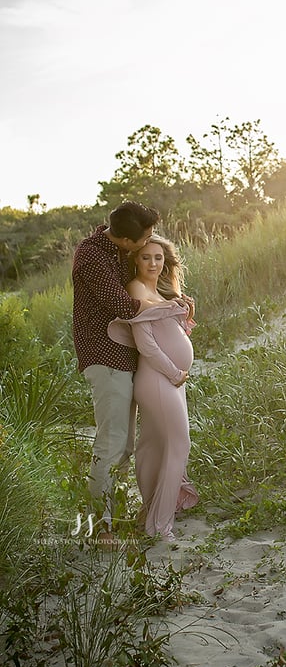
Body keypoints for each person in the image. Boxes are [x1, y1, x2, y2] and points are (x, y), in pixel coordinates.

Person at [72, 201, 160, 536]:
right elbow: (122, 305)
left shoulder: (120, 250)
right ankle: (98, 526)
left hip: (126, 354)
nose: (147, 240)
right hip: (103, 354)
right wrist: (167, 309)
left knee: (124, 444)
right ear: (124, 240)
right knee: (111, 440)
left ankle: (112, 511)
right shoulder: (91, 255)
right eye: (142, 238)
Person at [108, 235, 199, 544]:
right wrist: (175, 373)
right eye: (146, 257)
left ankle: (151, 514)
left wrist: (182, 311)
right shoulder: (135, 289)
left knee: (157, 447)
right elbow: (146, 343)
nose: (153, 263)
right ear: (136, 259)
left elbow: (169, 331)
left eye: (158, 258)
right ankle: (160, 528)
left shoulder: (157, 291)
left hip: (169, 381)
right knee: (179, 443)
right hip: (160, 378)